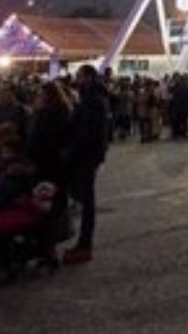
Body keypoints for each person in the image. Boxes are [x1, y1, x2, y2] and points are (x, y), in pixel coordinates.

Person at [61, 64, 109, 265]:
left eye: (79, 76)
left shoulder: (93, 101)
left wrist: (77, 151)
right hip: (89, 155)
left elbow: (90, 132)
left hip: (86, 156)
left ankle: (84, 244)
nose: (76, 80)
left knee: (87, 200)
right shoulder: (92, 99)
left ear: (88, 78)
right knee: (83, 198)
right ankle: (82, 243)